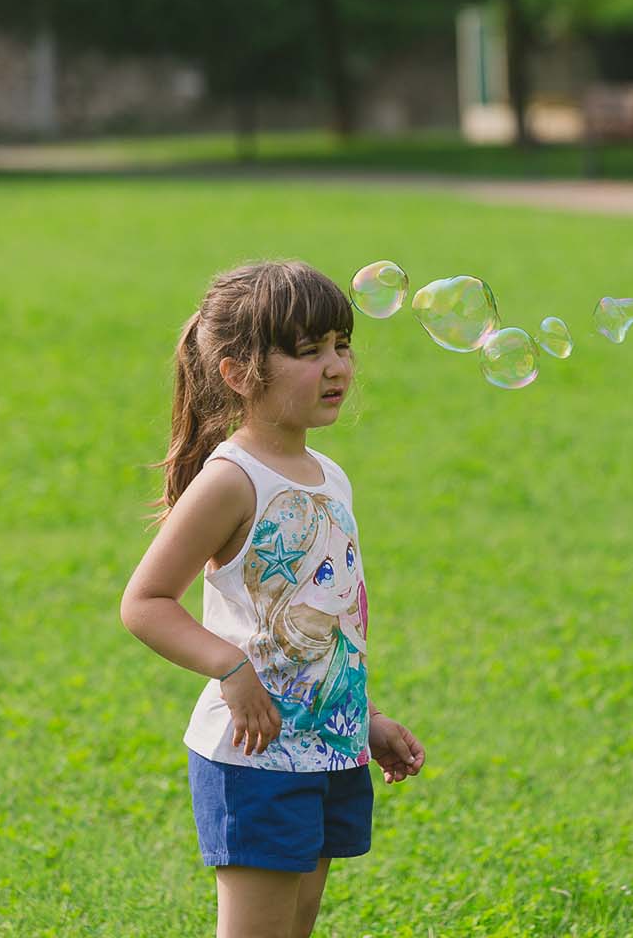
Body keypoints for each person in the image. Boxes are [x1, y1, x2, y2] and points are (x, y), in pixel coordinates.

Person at [122, 260, 425, 938]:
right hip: (255, 756)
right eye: (308, 350)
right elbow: (145, 602)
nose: (336, 365)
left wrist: (363, 717)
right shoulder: (231, 479)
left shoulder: (329, 475)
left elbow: (329, 623)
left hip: (326, 745)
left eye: (342, 344)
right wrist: (230, 669)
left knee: (296, 926)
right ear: (237, 373)